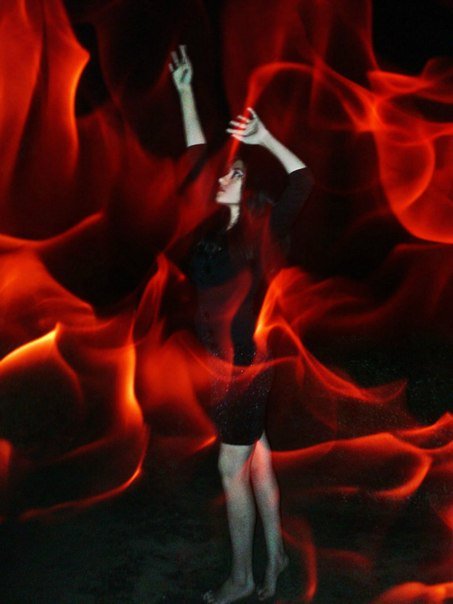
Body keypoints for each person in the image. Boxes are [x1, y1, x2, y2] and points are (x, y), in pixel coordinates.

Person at [169, 46, 314, 603]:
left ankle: (242, 579)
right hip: (225, 366)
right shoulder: (206, 230)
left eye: (235, 171)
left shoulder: (260, 232)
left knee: (232, 468)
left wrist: (265, 139)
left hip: (244, 369)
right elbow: (193, 158)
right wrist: (185, 90)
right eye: (225, 170)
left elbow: (301, 181)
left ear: (244, 188)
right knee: (258, 462)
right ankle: (274, 560)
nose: (223, 173)